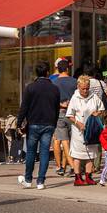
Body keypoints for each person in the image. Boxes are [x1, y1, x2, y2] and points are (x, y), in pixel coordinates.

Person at [16, 61, 61, 190]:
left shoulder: (30, 88)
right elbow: (56, 108)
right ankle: (41, 181)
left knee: (31, 152)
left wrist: (19, 123)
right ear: (48, 73)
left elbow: (24, 107)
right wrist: (54, 121)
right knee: (44, 152)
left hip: (34, 123)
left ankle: (28, 179)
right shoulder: (54, 88)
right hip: (49, 124)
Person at [65, 75, 103, 186]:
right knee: (78, 155)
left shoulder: (94, 97)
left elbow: (101, 108)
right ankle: (77, 177)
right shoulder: (74, 98)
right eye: (83, 89)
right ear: (78, 86)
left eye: (87, 88)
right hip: (78, 131)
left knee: (91, 154)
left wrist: (97, 113)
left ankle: (88, 176)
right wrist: (78, 123)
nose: (85, 91)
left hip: (91, 130)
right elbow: (69, 115)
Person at [50, 57, 76, 175]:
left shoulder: (53, 83)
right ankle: (70, 166)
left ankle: (61, 166)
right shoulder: (75, 81)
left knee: (61, 140)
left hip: (59, 113)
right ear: (67, 69)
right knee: (71, 140)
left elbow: (51, 100)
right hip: (73, 114)